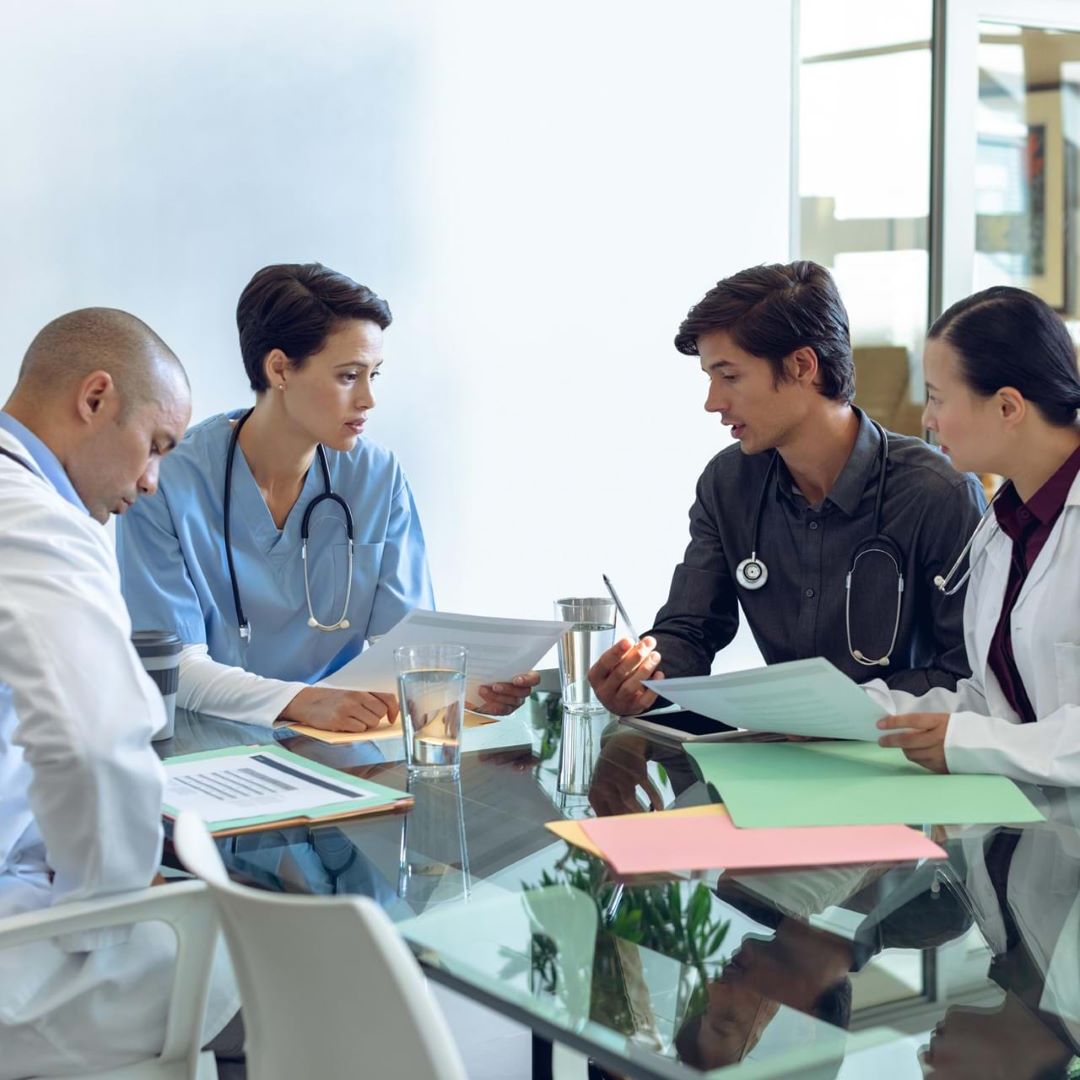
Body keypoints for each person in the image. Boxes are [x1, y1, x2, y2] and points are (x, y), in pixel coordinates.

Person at [117, 263, 536, 732]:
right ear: (279, 368)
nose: (368, 400)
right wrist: (303, 701)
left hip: (348, 752)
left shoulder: (378, 477)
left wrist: (474, 690)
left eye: (374, 374)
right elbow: (176, 668)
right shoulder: (165, 480)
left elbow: (404, 652)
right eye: (348, 376)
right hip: (212, 751)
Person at [0, 309, 238, 1077]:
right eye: (156, 447)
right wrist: (113, 912)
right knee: (222, 959)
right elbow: (95, 741)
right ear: (95, 399)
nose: (150, 481)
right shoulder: (34, 520)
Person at [589, 260, 986, 717]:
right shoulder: (728, 485)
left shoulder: (938, 494)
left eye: (730, 376)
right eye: (710, 378)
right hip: (784, 753)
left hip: (901, 761)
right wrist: (647, 676)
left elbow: (966, 673)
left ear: (801, 365)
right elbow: (691, 629)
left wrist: (839, 710)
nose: (712, 402)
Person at [871, 286, 1080, 781]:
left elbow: (994, 733)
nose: (927, 419)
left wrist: (969, 742)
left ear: (1008, 407)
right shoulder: (1006, 524)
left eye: (937, 398)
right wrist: (858, 712)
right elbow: (1000, 703)